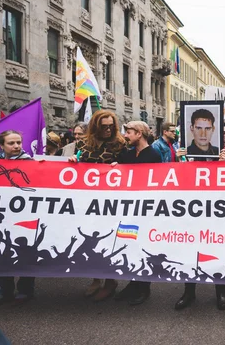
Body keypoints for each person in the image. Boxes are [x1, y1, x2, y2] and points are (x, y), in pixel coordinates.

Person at [174, 122, 225, 311]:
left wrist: (221, 165)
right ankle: (189, 291)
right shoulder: (190, 154)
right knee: (190, 251)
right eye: (223, 133)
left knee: (217, 252)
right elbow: (179, 178)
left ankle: (220, 291)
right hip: (193, 212)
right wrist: (180, 160)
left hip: (217, 214)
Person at [69, 110, 127, 301]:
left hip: (111, 200)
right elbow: (78, 160)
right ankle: (95, 278)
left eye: (111, 125)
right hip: (88, 200)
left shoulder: (120, 143)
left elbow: (130, 168)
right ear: (96, 126)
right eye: (104, 126)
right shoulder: (83, 143)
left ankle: (110, 281)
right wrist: (73, 161)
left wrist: (120, 166)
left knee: (107, 242)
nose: (108, 129)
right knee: (88, 242)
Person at [112, 121, 161, 306]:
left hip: (145, 211)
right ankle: (132, 284)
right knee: (129, 247)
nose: (126, 135)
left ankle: (143, 287)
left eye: (129, 132)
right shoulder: (127, 154)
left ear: (139, 134)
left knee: (143, 248)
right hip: (128, 209)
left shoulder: (153, 155)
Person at [0, 130, 36, 308]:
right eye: (11, 143)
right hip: (2, 214)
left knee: (24, 249)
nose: (16, 146)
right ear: (2, 145)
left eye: (18, 142)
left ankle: (25, 289)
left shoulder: (30, 163)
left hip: (24, 214)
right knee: (2, 249)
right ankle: (4, 290)